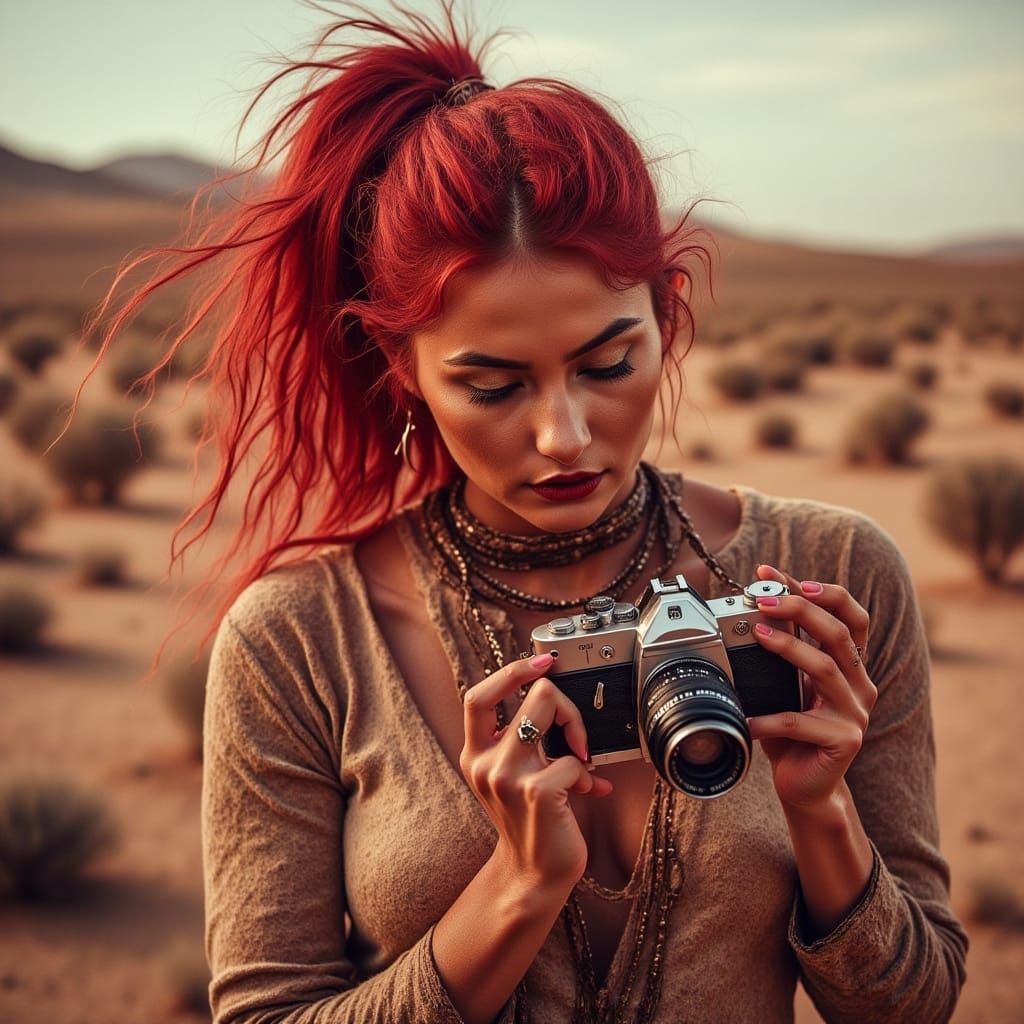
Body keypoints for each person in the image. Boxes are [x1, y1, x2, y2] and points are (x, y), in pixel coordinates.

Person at [80, 3, 967, 1021]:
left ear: (666, 314)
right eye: (493, 385)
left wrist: (822, 814)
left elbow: (916, 1003)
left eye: (608, 363)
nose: (565, 436)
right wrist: (514, 889)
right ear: (399, 368)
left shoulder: (829, 571)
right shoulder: (301, 640)